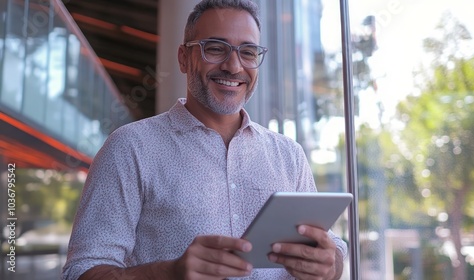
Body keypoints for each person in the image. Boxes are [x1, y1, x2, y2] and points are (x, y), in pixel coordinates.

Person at [61, 0, 348, 279]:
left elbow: (329, 246)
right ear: (184, 58)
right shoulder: (130, 148)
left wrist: (329, 265)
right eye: (215, 48)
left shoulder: (289, 155)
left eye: (248, 52)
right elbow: (81, 271)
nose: (234, 66)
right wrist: (168, 274)